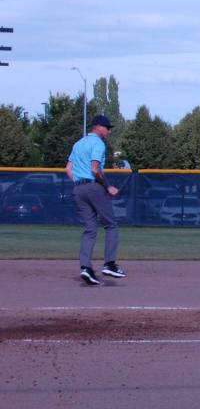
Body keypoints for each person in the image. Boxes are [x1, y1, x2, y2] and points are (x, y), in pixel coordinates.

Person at [65, 114, 126, 285]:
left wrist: (80, 183)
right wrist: (107, 186)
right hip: (94, 187)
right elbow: (95, 168)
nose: (109, 131)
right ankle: (110, 264)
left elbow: (68, 170)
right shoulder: (97, 143)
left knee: (90, 229)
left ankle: (86, 268)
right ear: (98, 127)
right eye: (107, 128)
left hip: (78, 189)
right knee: (111, 224)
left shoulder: (78, 143)